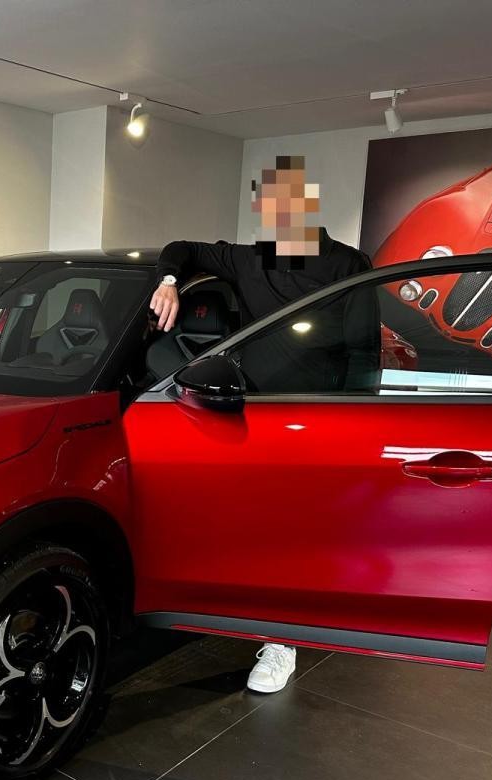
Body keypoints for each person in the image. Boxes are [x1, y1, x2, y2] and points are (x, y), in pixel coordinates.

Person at [149, 155, 371, 693]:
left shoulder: (348, 264)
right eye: (269, 206)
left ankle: (281, 642)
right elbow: (181, 247)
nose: (277, 215)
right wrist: (170, 281)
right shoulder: (249, 259)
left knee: (293, 538)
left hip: (315, 421)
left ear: (307, 205)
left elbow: (364, 352)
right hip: (247, 412)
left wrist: (356, 428)